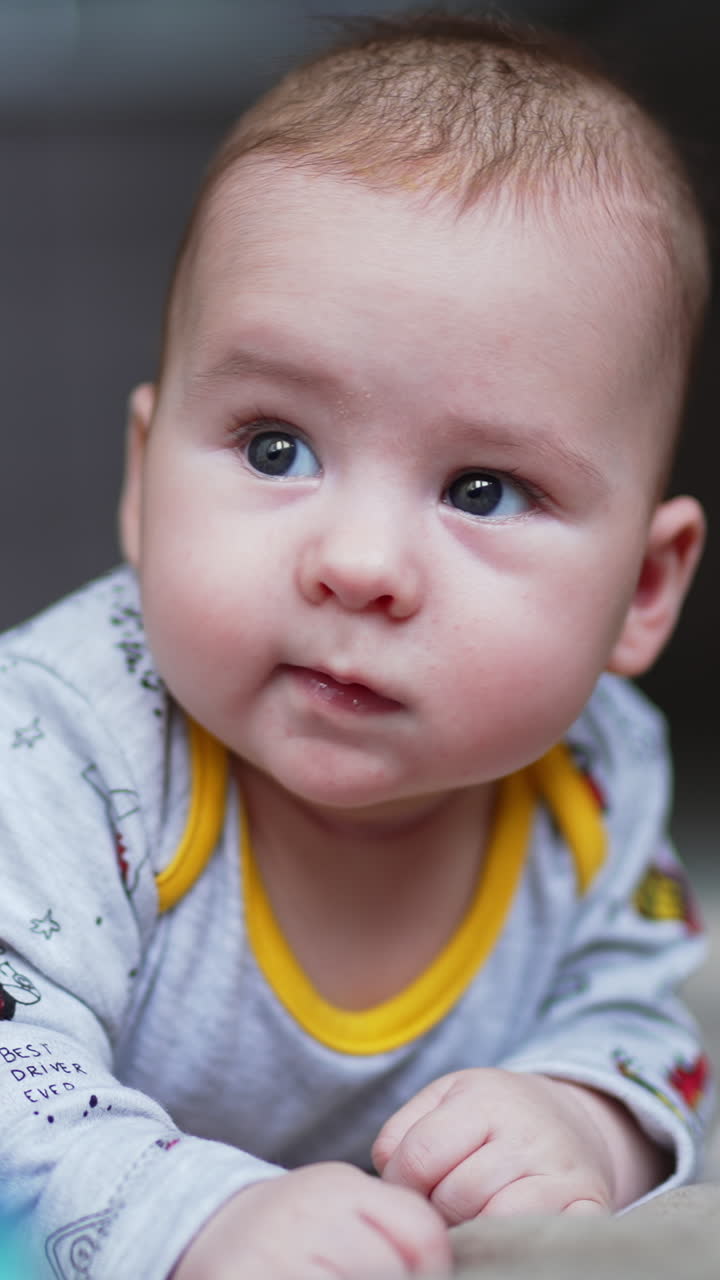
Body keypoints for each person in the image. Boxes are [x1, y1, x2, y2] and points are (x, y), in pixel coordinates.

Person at [0, 11, 713, 1279]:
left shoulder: (599, 781)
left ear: (643, 590)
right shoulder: (69, 741)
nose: (362, 563)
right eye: (277, 447)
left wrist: (584, 1114)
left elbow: (644, 1003)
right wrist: (197, 1213)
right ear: (141, 478)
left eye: (484, 488)